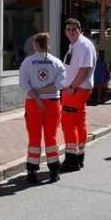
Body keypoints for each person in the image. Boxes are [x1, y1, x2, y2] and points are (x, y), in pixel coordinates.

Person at [18, 32, 67, 183]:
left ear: (37, 45)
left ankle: (32, 172)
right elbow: (61, 83)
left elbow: (24, 85)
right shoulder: (56, 62)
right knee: (51, 137)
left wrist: (38, 97)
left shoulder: (27, 62)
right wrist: (45, 91)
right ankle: (54, 171)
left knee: (34, 138)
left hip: (33, 104)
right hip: (52, 103)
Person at [60, 17, 97, 172]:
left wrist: (72, 86)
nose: (71, 32)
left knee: (68, 123)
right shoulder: (76, 44)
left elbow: (85, 68)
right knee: (79, 123)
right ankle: (79, 155)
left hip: (75, 90)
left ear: (80, 30)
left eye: (74, 29)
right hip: (78, 89)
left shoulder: (82, 45)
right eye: (68, 29)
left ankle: (71, 159)